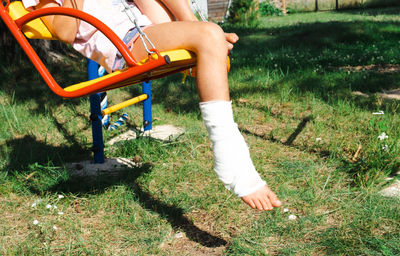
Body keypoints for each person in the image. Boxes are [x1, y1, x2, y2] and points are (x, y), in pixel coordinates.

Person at [22, 0, 282, 211]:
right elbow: (65, 31)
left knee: (208, 35)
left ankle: (199, 33)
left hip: (147, 26)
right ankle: (231, 156)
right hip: (127, 43)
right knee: (210, 35)